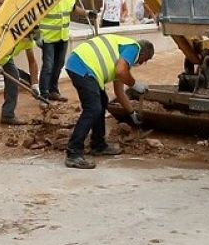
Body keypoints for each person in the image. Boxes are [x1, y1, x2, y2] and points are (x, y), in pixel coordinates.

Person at [64, 34, 154, 169]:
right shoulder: (133, 47)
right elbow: (120, 71)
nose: (140, 63)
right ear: (143, 54)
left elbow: (119, 92)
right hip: (82, 65)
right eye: (144, 60)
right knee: (93, 108)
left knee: (102, 101)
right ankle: (73, 153)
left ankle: (98, 145)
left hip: (82, 65)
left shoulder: (122, 58)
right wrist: (135, 85)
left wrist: (132, 113)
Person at [38, 0, 76, 101]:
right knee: (48, 66)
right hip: (48, 36)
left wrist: (87, 13)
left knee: (59, 65)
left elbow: (73, 8)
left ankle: (53, 91)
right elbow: (35, 12)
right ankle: (44, 95)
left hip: (63, 35)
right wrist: (36, 34)